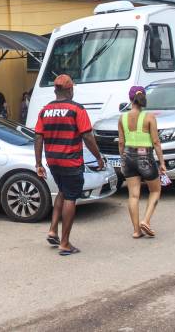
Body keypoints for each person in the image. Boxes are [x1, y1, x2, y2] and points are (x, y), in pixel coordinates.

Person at [34, 74, 105, 256]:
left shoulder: (45, 110)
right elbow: (87, 136)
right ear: (70, 89)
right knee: (71, 198)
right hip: (71, 161)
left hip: (53, 161)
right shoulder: (76, 109)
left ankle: (53, 230)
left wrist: (38, 163)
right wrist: (98, 157)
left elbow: (38, 137)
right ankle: (65, 243)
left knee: (63, 191)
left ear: (55, 90)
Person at [118, 86, 166, 239]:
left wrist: (123, 158)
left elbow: (121, 142)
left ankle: (136, 230)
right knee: (155, 190)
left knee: (133, 195)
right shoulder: (149, 117)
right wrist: (162, 163)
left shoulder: (122, 118)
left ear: (130, 99)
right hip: (145, 156)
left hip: (128, 157)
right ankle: (145, 220)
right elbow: (156, 142)